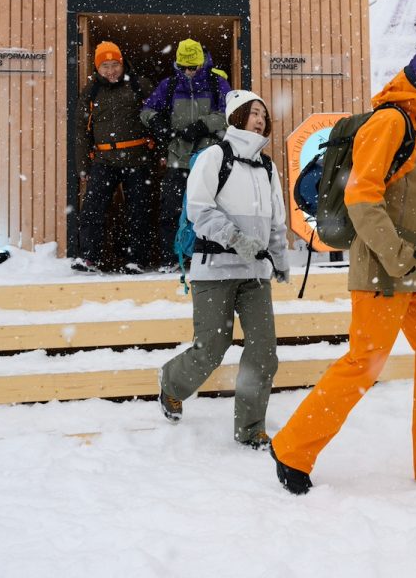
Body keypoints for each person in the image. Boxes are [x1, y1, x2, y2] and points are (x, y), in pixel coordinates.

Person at [270, 43, 416, 494]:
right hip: (385, 270)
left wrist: (414, 259)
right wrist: (395, 256)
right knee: (363, 364)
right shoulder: (391, 121)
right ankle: (292, 450)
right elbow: (361, 196)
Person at [157, 89, 289, 450]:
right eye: (254, 112)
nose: (260, 119)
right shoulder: (216, 156)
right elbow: (199, 210)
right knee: (212, 348)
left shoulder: (268, 166)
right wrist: (236, 239)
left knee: (264, 353)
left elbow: (276, 220)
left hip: (255, 273)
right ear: (236, 116)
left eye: (264, 113)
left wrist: (279, 257)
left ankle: (250, 429)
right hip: (214, 269)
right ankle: (172, 383)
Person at [140, 38, 232, 271]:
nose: (189, 72)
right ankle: (171, 259)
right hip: (177, 159)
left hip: (208, 159)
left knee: (211, 211)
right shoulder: (169, 86)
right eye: (184, 68)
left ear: (202, 64)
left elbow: (231, 113)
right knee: (171, 211)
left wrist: (203, 125)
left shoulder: (217, 84)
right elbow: (146, 111)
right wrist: (158, 123)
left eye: (194, 67)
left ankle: (209, 258)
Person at [73, 41, 155, 274]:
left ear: (122, 63)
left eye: (115, 65)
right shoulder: (91, 91)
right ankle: (89, 258)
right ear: (97, 68)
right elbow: (81, 129)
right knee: (92, 210)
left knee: (138, 211)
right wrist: (83, 165)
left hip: (137, 159)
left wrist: (158, 152)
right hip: (103, 160)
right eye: (105, 66)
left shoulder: (140, 85)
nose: (111, 71)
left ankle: (136, 260)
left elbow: (157, 118)